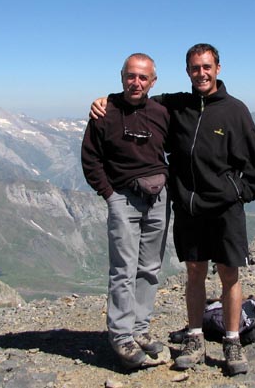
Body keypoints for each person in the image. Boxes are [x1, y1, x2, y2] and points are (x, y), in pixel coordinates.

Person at [90, 43, 255, 375]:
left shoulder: (235, 111)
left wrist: (236, 193)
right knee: (195, 272)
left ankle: (231, 342)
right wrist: (106, 101)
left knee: (229, 274)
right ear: (187, 71)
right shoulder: (176, 105)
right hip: (189, 208)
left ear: (218, 68)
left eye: (207, 67)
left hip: (225, 210)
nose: (201, 73)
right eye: (195, 68)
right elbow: (135, 98)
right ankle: (195, 337)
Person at [81, 53, 170, 369]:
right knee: (123, 269)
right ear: (122, 77)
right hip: (124, 198)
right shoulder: (105, 112)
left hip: (159, 199)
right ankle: (121, 337)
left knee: (149, 267)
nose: (136, 82)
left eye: (143, 77)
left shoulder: (161, 112)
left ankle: (139, 329)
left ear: (152, 82)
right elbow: (90, 158)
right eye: (131, 76)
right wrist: (110, 195)